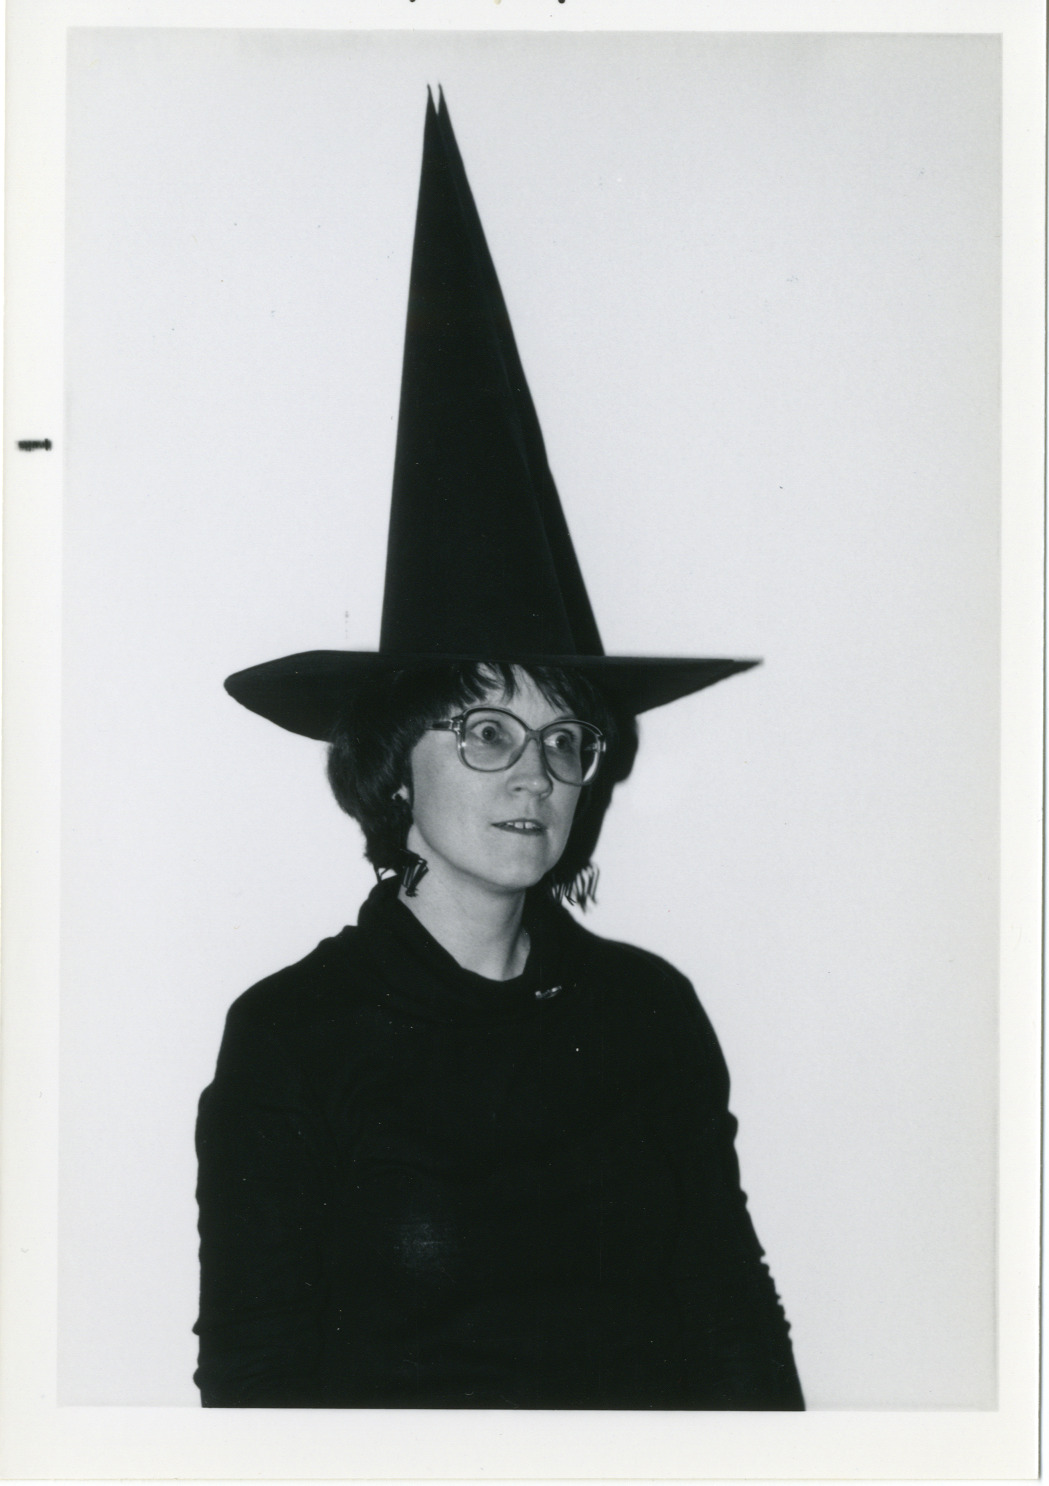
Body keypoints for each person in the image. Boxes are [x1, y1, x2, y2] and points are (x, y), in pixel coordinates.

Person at [194, 92, 803, 1411]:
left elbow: (735, 1325)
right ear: (392, 764)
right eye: (485, 731)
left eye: (564, 739)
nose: (535, 772)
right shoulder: (294, 1038)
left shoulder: (647, 1016)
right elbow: (253, 1391)